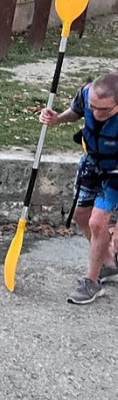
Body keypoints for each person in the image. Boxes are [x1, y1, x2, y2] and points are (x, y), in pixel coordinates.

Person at [38, 72, 118, 303]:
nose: (96, 114)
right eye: (93, 107)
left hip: (115, 174)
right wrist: (56, 119)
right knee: (82, 216)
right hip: (91, 165)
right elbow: (76, 112)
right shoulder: (86, 94)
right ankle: (107, 264)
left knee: (97, 221)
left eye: (105, 110)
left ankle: (91, 282)